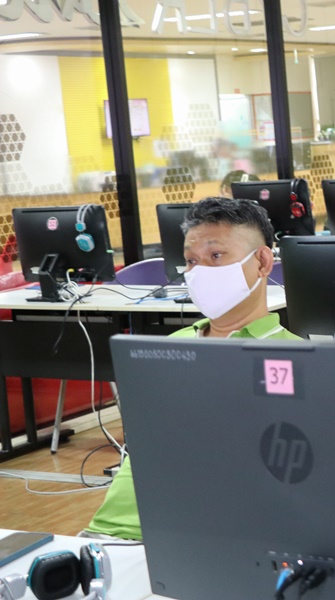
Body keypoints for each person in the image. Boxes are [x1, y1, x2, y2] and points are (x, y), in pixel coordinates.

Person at [82, 197, 298, 540]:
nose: (199, 272)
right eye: (191, 261)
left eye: (216, 256)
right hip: (112, 531)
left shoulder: (297, 359)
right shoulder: (165, 349)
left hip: (210, 538)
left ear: (262, 261)